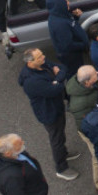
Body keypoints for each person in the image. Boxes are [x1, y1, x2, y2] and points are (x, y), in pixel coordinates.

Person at [17, 49, 77, 181]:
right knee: (56, 138)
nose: (44, 57)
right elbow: (55, 90)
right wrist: (58, 80)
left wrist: (57, 79)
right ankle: (61, 168)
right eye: (39, 57)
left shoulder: (41, 64)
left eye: (42, 54)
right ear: (30, 62)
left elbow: (62, 68)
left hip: (56, 106)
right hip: (49, 113)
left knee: (60, 134)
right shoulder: (32, 81)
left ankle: (63, 153)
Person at [65, 65, 98, 192]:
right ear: (87, 82)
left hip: (91, 125)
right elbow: (84, 124)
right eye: (94, 74)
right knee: (97, 156)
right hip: (89, 132)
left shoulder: (79, 84)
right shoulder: (82, 103)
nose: (97, 72)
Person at [44, 0, 87, 79]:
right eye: (66, 1)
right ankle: (75, 89)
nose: (68, 3)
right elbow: (68, 45)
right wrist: (83, 44)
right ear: (59, 5)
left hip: (74, 53)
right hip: (71, 56)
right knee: (75, 74)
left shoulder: (61, 14)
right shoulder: (59, 25)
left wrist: (75, 17)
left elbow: (70, 25)